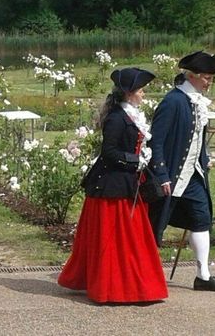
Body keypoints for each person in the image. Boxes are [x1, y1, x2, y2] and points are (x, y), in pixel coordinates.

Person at [58, 68, 168, 303]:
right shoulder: (117, 118)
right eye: (141, 91)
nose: (144, 94)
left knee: (133, 237)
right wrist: (135, 159)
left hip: (129, 183)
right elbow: (108, 152)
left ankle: (134, 286)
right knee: (115, 239)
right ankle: (115, 288)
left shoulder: (131, 115)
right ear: (129, 94)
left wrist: (142, 156)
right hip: (112, 187)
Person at [148, 51, 215, 292]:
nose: (210, 83)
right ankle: (144, 273)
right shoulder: (173, 101)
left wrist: (204, 159)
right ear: (192, 76)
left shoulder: (196, 100)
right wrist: (162, 174)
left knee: (201, 219)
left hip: (193, 175)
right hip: (171, 176)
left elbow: (198, 137)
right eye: (207, 78)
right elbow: (156, 141)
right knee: (156, 224)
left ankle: (203, 276)